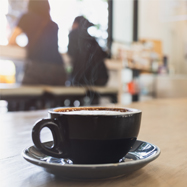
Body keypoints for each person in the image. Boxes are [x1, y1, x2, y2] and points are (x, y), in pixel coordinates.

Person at [9, 0, 66, 85]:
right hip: (59, 69)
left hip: (37, 68)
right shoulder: (53, 25)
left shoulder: (27, 17)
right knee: (52, 97)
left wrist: (27, 47)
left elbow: (12, 40)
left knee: (25, 96)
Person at [67, 16, 109, 86]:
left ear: (76, 24)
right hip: (102, 78)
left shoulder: (73, 34)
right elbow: (104, 54)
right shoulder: (91, 39)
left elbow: (71, 53)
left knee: (72, 84)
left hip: (83, 79)